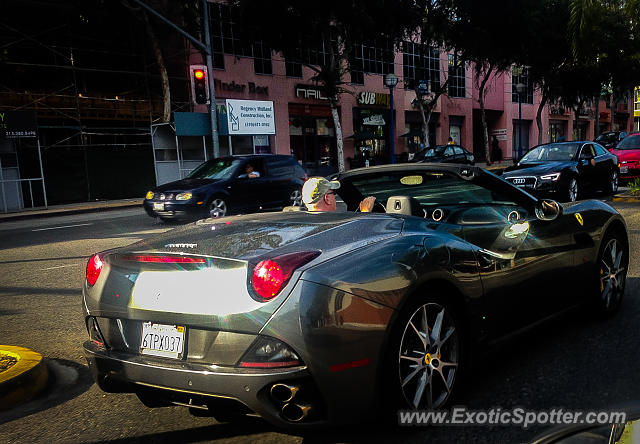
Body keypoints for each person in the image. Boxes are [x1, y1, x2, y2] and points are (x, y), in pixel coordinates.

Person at [301, 177, 377, 212]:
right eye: (333, 193)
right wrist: (365, 213)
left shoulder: (302, 225)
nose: (335, 197)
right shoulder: (331, 224)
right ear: (327, 199)